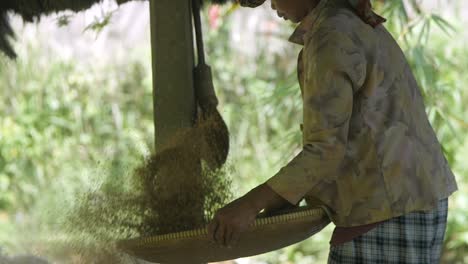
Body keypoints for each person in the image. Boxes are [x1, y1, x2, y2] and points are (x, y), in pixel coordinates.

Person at [208, 0, 458, 263]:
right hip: (408, 201)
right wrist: (283, 195)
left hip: (388, 209)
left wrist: (248, 205)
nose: (272, 5)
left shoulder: (331, 34)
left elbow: (325, 150)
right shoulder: (345, 21)